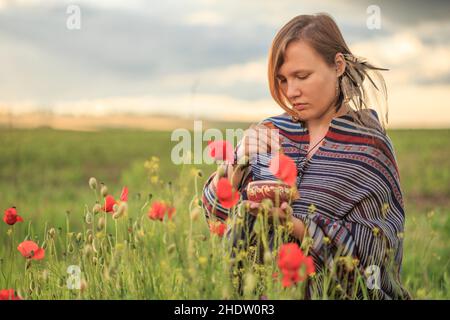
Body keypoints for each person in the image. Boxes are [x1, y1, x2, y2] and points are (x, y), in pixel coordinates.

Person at [202, 13, 410, 299]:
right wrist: (235, 163)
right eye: (283, 80)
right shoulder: (272, 131)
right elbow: (216, 217)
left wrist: (297, 226)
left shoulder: (370, 148)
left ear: (337, 66)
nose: (291, 91)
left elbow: (377, 255)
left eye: (302, 76)